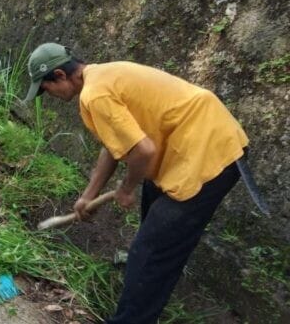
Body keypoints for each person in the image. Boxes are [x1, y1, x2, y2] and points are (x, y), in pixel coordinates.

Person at [24, 42, 248, 324]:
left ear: (59, 75)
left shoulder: (94, 95)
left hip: (209, 153)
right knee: (154, 229)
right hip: (187, 145)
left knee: (151, 251)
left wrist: (126, 188)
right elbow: (114, 145)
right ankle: (143, 292)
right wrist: (87, 195)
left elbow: (143, 151)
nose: (49, 96)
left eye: (46, 89)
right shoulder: (103, 75)